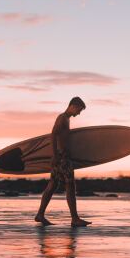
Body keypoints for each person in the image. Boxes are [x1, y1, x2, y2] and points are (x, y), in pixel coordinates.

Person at [35, 97, 91, 227]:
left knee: (53, 184)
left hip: (61, 157)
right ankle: (75, 218)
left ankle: (40, 214)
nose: (79, 113)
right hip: (62, 158)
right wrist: (55, 156)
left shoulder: (66, 119)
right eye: (79, 110)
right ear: (73, 106)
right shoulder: (62, 118)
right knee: (70, 185)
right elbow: (53, 135)